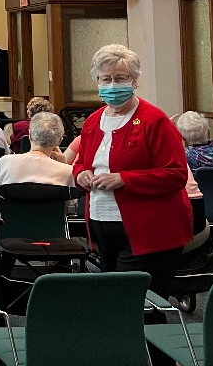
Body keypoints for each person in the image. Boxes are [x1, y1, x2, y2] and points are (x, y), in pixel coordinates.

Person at [73, 44, 191, 344]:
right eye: (106, 79)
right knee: (116, 306)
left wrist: (124, 180)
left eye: (121, 78)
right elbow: (83, 163)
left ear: (134, 81)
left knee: (140, 308)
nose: (113, 85)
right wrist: (82, 174)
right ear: (97, 82)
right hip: (103, 224)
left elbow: (176, 174)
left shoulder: (155, 121)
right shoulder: (93, 121)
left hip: (150, 231)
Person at [0, 112, 74, 188]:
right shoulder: (67, 171)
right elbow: (71, 203)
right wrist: (65, 165)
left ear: (30, 136)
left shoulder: (5, 162)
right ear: (59, 141)